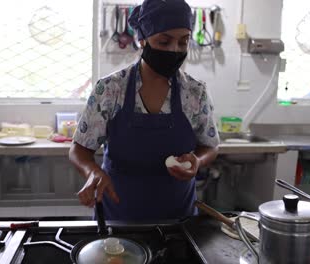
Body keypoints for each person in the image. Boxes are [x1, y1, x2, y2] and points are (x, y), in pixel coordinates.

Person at [69, 0, 219, 221]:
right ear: (142, 40)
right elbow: (79, 150)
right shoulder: (110, 89)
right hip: (118, 216)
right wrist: (93, 172)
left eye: (183, 42)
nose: (174, 50)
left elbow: (210, 146)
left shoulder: (195, 93)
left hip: (178, 220)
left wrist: (197, 161)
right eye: (164, 41)